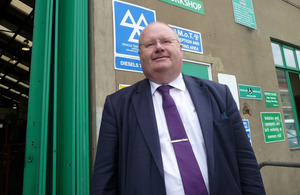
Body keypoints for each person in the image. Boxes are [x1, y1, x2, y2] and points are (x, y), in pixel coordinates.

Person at [91, 21, 265, 195]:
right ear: (140, 55)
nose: (159, 47)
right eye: (150, 44)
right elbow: (105, 176)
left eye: (166, 41)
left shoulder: (220, 95)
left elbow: (245, 161)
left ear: (180, 48)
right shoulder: (117, 105)